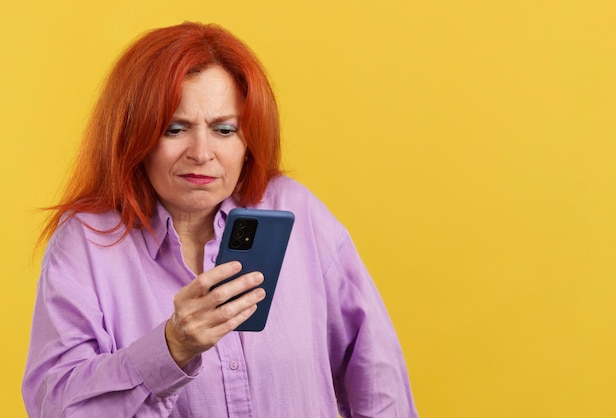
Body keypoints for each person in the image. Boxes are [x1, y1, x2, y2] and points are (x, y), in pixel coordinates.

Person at [22, 22, 418, 417]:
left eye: (224, 129)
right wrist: (171, 347)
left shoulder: (298, 213)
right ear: (134, 135)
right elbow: (55, 406)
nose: (201, 152)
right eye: (175, 129)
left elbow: (376, 369)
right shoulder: (87, 243)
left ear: (249, 139)